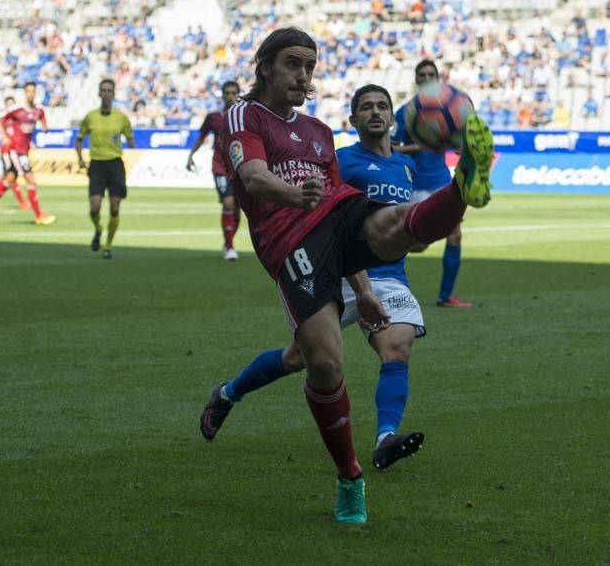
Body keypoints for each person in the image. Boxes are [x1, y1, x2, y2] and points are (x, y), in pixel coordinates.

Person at [200, 27, 493, 524]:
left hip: (333, 220)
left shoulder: (319, 133)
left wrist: (363, 288)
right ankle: (349, 475)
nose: (302, 75)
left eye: (310, 67)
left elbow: (338, 215)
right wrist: (298, 196)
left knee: (395, 224)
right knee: (323, 366)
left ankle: (463, 187)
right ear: (266, 65)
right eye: (293, 63)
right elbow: (251, 177)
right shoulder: (243, 115)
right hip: (290, 243)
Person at [201, 84, 427, 472]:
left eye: (382, 107)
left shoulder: (407, 167)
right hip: (336, 271)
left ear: (393, 118)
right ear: (352, 120)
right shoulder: (342, 160)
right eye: (366, 107)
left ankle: (385, 437)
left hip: (390, 277)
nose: (375, 113)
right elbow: (330, 221)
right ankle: (228, 393)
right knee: (296, 359)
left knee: (398, 349)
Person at [392, 59, 471, 308]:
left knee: (455, 233)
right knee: (416, 244)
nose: (426, 78)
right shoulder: (406, 112)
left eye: (431, 74)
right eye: (422, 74)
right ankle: (381, 281)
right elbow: (391, 147)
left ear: (437, 79)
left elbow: (457, 143)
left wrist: (461, 146)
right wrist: (421, 146)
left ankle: (445, 295)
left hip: (440, 180)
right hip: (414, 183)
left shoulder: (451, 106)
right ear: (417, 80)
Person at [0, 82, 55, 225]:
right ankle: (39, 216)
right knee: (30, 180)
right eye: (28, 91)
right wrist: (4, 135)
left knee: (8, 180)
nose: (30, 94)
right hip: (15, 150)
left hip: (24, 150)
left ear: (35, 93)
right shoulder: (16, 109)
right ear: (25, 93)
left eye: (33, 91)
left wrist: (45, 127)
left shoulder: (39, 110)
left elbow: (43, 120)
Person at [75, 78, 135, 259]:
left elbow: (131, 140)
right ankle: (98, 229)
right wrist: (79, 158)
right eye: (104, 90)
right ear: (99, 93)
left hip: (115, 164)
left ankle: (107, 246)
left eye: (110, 90)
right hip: (97, 165)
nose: (107, 93)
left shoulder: (122, 118)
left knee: (115, 208)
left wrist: (133, 149)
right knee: (94, 208)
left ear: (114, 94)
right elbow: (78, 139)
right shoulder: (90, 117)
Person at [186, 80, 242, 260]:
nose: (230, 96)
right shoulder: (213, 117)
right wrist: (190, 155)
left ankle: (227, 243)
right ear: (223, 95)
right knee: (228, 203)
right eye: (227, 93)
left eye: (234, 93)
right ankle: (231, 247)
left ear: (238, 95)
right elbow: (201, 137)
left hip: (240, 167)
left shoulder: (245, 116)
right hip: (220, 167)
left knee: (237, 209)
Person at [0, 95, 30, 211]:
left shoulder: (16, 119)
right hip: (6, 151)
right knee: (11, 176)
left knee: (7, 177)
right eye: (8, 104)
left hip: (15, 151)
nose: (10, 107)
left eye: (12, 104)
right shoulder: (3, 118)